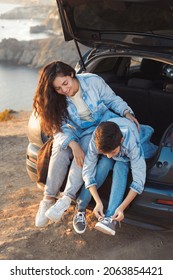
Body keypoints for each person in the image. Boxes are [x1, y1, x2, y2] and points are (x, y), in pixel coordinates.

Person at [33, 60, 139, 228]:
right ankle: (47, 199)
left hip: (97, 127)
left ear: (71, 74)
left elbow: (112, 100)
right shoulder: (57, 98)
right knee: (60, 149)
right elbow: (58, 128)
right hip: (74, 130)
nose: (64, 90)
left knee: (83, 151)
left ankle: (66, 198)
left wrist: (126, 112)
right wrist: (72, 144)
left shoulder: (92, 81)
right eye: (58, 88)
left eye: (65, 84)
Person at [73, 117, 157, 235]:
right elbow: (88, 171)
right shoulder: (97, 139)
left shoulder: (132, 143)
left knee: (120, 167)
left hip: (127, 152)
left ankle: (110, 218)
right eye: (104, 153)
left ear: (121, 140)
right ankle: (80, 207)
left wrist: (121, 207)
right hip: (113, 139)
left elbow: (139, 180)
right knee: (104, 164)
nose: (108, 156)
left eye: (112, 152)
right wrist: (98, 202)